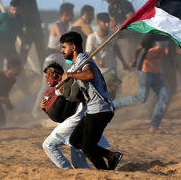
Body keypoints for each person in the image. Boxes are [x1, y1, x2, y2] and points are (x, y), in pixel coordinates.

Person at [60, 31, 123, 170]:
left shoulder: (84, 58)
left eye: (64, 47)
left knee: (88, 148)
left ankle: (104, 172)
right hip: (93, 109)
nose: (61, 50)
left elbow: (89, 74)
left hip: (101, 109)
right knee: (75, 140)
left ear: (73, 47)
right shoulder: (77, 64)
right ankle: (111, 156)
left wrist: (70, 75)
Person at [113, 33, 172, 132]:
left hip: (156, 71)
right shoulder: (150, 36)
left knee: (164, 97)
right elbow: (138, 49)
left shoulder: (167, 36)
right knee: (141, 98)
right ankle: (112, 105)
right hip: (145, 70)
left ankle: (154, 126)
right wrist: (135, 60)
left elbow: (167, 51)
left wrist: (173, 60)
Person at [41, 62, 92, 169]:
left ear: (57, 75)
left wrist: (65, 90)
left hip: (76, 124)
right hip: (72, 126)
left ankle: (67, 172)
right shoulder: (50, 92)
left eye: (48, 76)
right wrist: (43, 108)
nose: (46, 79)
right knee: (79, 163)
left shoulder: (69, 84)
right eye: (45, 77)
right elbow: (56, 113)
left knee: (48, 145)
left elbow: (80, 97)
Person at [0, 0, 23, 71]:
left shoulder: (20, 18)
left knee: (16, 67)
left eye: (16, 10)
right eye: (13, 10)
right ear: (10, 8)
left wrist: (24, 42)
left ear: (20, 9)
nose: (14, 12)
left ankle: (15, 81)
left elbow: (20, 31)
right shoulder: (3, 16)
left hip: (10, 48)